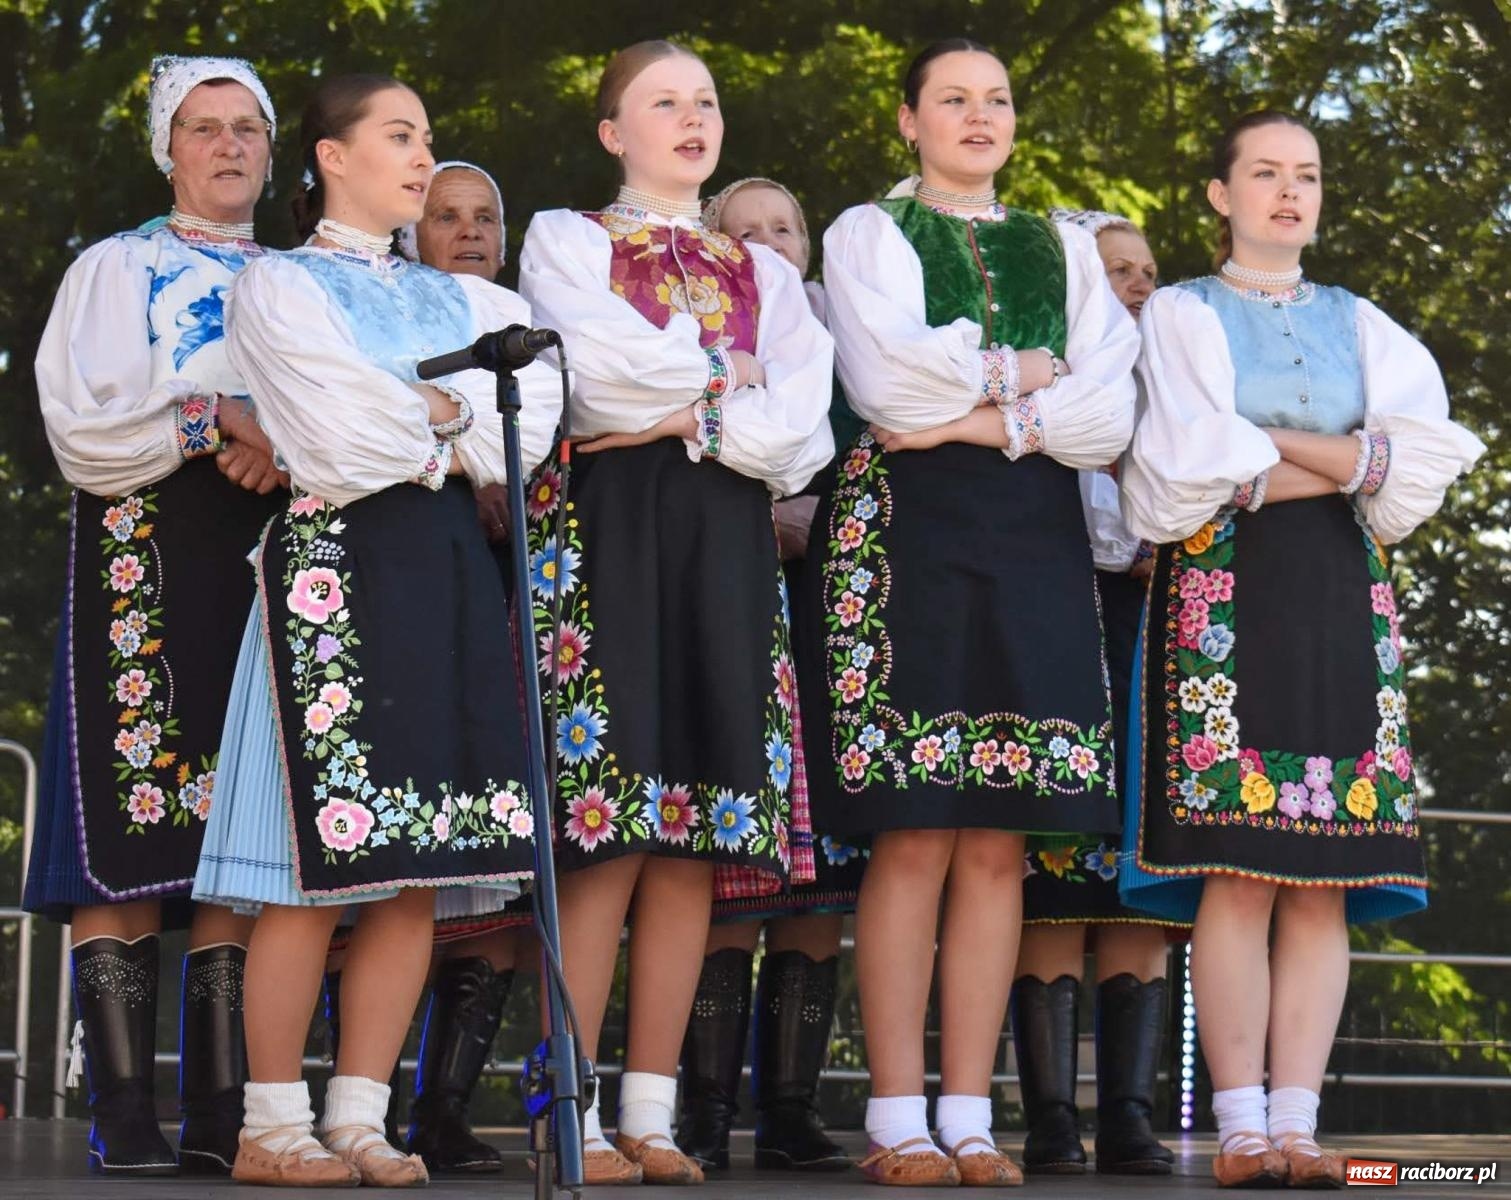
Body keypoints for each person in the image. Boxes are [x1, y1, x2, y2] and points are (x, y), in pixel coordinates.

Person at [192, 73, 559, 1187]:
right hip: (337, 576)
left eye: (428, 136)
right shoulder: (279, 286)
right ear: (332, 157)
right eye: (399, 137)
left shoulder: (477, 306)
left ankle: (358, 1113)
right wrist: (448, 420)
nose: (421, 156)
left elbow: (527, 430)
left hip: (444, 571)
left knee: (418, 858)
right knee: (321, 864)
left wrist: (424, 419)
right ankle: (268, 1122)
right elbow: (338, 445)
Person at [1117, 111, 1484, 1188]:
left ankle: (1295, 1123)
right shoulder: (1179, 314)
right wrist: (1345, 456)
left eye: (1306, 176)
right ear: (1217, 195)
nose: (1288, 192)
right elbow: (1180, 472)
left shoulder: (1363, 322)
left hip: (1338, 592)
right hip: (1222, 589)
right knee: (1238, 865)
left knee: (1324, 876)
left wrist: (1262, 443)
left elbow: (1417, 469)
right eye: (1264, 174)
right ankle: (1236, 1127)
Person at [806, 39, 1138, 1187]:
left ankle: (967, 1112)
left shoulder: (1069, 246)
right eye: (951, 99)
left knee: (1000, 837)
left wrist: (971, 409)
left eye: (996, 97)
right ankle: (896, 1113)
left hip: (1033, 539)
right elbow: (887, 386)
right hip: (906, 535)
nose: (977, 115)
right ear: (907, 120)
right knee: (914, 825)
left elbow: (1112, 411)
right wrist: (1030, 376)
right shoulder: (864, 233)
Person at [519, 40, 834, 1186]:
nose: (691, 119)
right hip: (613, 532)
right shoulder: (568, 239)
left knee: (695, 832)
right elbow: (593, 374)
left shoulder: (772, 275)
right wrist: (725, 390)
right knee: (609, 828)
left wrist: (684, 413)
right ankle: (570, 1107)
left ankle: (649, 1114)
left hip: (725, 542)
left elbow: (804, 428)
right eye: (663, 102)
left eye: (704, 102)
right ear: (613, 131)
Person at [23, 53, 283, 1176]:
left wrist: (282, 442)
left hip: (274, 551)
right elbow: (82, 428)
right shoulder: (115, 268)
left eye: (245, 129)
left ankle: (222, 1108)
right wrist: (211, 416)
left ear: (276, 150)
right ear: (167, 150)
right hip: (146, 543)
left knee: (242, 823)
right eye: (203, 127)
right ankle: (124, 1104)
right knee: (129, 813)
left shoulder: (304, 276)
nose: (226, 146)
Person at [672, 177, 864, 1174]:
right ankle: (701, 1104)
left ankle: (789, 1104)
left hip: (839, 623)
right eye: (740, 232)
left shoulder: (843, 339)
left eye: (782, 227)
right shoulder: (691, 334)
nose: (767, 243)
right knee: (723, 853)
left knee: (819, 873)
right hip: (730, 603)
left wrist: (820, 527)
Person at [1009, 208, 1181, 1178]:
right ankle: (1045, 1117)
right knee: (1052, 869)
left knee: (1133, 870)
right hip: (1054, 622)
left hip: (1145, 632)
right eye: (1113, 268)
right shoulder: (1054, 387)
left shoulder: (1176, 394)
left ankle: (1125, 1113)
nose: (1135, 284)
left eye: (1146, 269)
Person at [386, 157, 532, 1175]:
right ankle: (350, 1095)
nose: (469, 231)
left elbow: (546, 447)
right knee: (388, 866)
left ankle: (442, 1110)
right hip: (404, 594)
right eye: (446, 216)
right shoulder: (395, 314)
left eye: (484, 217)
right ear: (411, 228)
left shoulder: (522, 322)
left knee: (496, 877)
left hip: (512, 602)